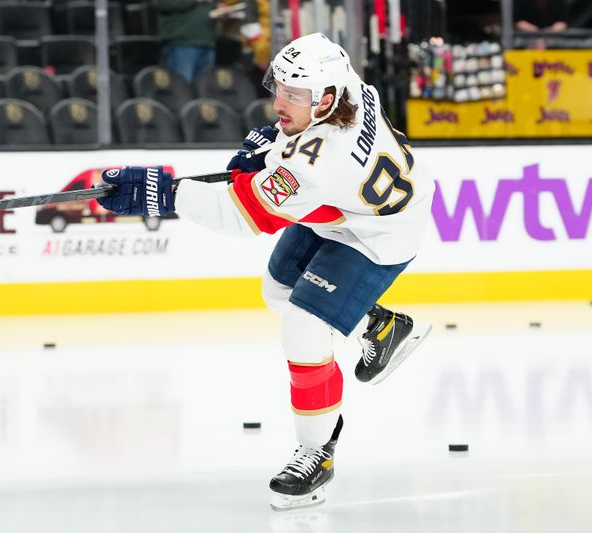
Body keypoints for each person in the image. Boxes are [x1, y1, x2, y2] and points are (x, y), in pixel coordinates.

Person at [94, 33, 433, 511]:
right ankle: (380, 326)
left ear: (326, 99)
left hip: (378, 233)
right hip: (340, 208)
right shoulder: (349, 89)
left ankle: (317, 450)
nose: (279, 102)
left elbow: (243, 215)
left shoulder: (317, 164)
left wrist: (165, 194)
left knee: (303, 325)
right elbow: (294, 151)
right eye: (281, 88)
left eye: (293, 96)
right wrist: (272, 147)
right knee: (279, 290)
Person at [154, 0, 216, 83]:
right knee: (181, 88)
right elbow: (163, 3)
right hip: (181, 43)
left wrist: (219, 8)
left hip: (207, 41)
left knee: (206, 90)